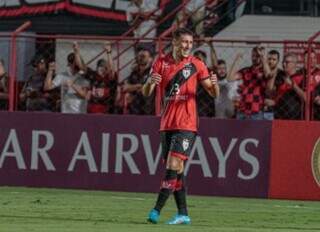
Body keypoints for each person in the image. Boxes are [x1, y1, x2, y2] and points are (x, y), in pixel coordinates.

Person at [142, 28, 219, 225]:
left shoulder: (197, 64)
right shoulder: (160, 62)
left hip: (187, 123)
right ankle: (183, 213)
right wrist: (150, 82)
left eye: (190, 43)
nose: (187, 46)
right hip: (167, 124)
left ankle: (156, 210)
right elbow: (146, 92)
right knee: (178, 171)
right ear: (175, 42)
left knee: (173, 165)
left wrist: (215, 84)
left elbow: (214, 93)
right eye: (184, 42)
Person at [44, 42, 90, 114]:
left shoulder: (83, 76)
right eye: (73, 63)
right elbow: (47, 87)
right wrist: (50, 71)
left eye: (77, 63)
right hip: (66, 112)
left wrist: (72, 85)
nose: (75, 66)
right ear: (69, 64)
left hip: (80, 113)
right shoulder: (62, 76)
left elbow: (84, 95)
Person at [229, 46, 270, 120]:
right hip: (242, 110)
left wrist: (263, 57)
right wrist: (237, 59)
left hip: (257, 110)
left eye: (257, 56)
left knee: (256, 131)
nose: (255, 58)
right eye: (253, 56)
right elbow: (230, 78)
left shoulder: (264, 71)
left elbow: (268, 75)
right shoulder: (246, 70)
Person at [86, 43, 117, 114]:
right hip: (92, 110)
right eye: (100, 66)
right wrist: (76, 52)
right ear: (97, 68)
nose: (102, 68)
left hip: (105, 111)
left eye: (105, 67)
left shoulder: (109, 79)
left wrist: (109, 52)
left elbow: (112, 70)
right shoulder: (93, 76)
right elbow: (82, 67)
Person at [273, 53, 306, 120]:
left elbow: (305, 97)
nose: (284, 64)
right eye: (283, 62)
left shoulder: (302, 77)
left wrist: (293, 85)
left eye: (287, 62)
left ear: (294, 64)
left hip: (295, 117)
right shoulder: (279, 76)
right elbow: (271, 93)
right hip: (278, 115)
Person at [123, 47, 154, 115]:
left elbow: (147, 89)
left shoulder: (152, 73)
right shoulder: (134, 73)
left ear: (150, 59)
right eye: (139, 56)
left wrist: (133, 88)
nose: (141, 58)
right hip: (133, 109)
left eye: (143, 56)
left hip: (147, 110)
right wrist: (138, 86)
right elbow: (125, 88)